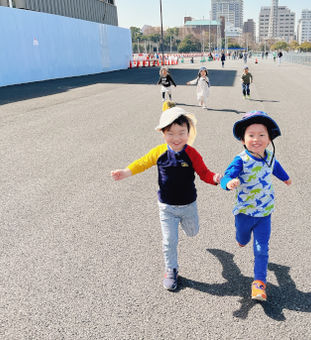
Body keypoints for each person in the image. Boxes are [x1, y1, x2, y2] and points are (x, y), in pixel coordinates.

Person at [111, 107, 222, 291]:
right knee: (169, 241)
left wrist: (216, 179)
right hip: (166, 207)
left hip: (188, 205)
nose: (176, 138)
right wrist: (125, 172)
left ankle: (194, 234)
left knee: (193, 232)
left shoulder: (192, 153)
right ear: (163, 133)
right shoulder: (159, 152)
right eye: (170, 133)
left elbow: (204, 173)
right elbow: (142, 163)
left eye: (181, 133)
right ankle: (171, 269)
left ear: (188, 132)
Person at [220, 111, 292, 301]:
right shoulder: (241, 160)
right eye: (251, 135)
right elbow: (227, 175)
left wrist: (286, 179)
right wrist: (228, 183)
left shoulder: (269, 156)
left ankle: (259, 283)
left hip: (265, 212)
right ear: (243, 140)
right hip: (244, 212)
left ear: (269, 139)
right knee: (242, 238)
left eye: (262, 135)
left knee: (261, 249)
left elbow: (276, 168)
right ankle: (241, 237)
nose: (256, 139)